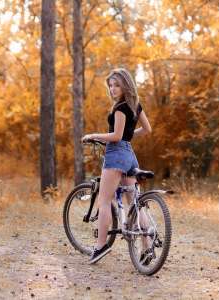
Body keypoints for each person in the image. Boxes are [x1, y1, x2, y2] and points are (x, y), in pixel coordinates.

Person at [81, 68, 152, 264]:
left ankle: (100, 246)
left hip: (116, 154)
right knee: (135, 203)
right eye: (111, 85)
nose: (113, 89)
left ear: (125, 84)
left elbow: (116, 136)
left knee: (104, 201)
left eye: (117, 85)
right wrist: (129, 134)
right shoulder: (135, 105)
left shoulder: (120, 107)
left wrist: (94, 136)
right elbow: (147, 129)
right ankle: (146, 249)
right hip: (129, 155)